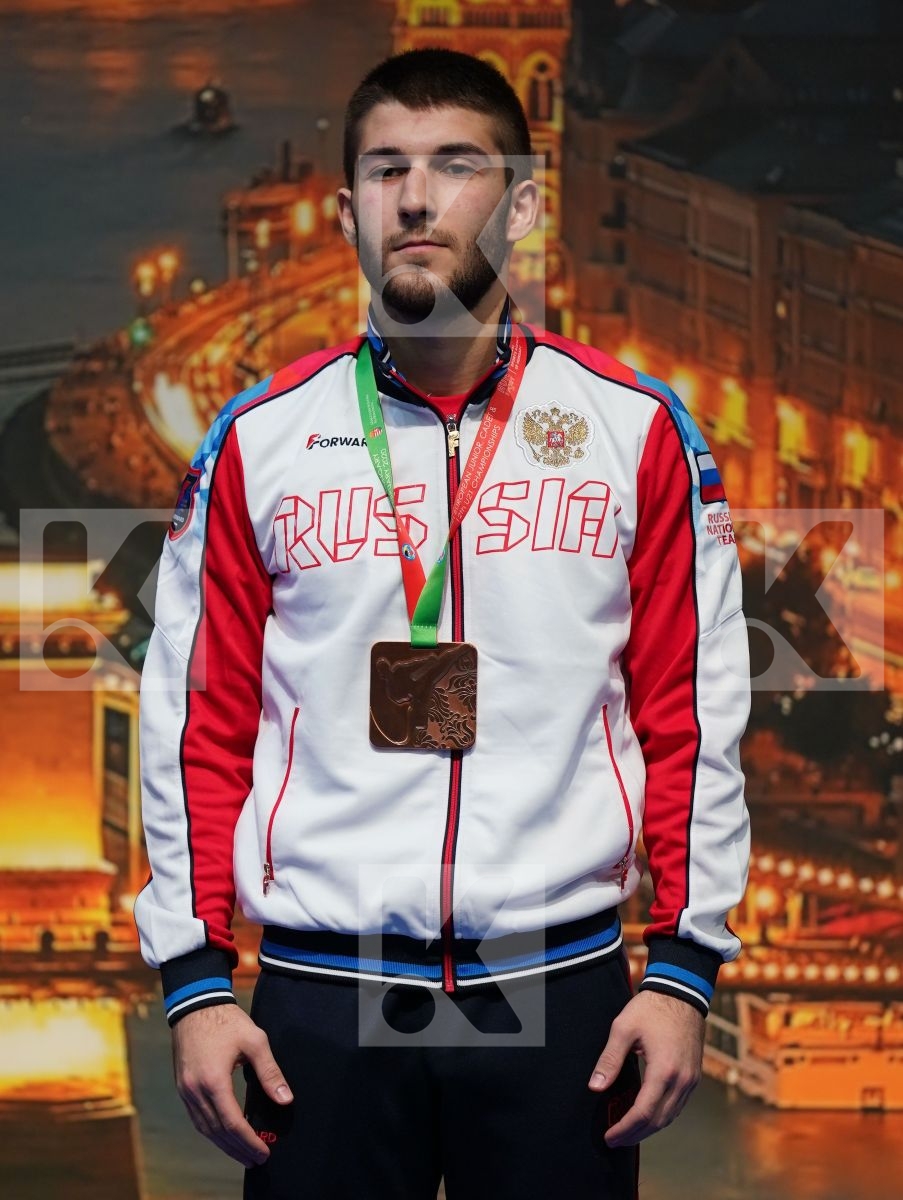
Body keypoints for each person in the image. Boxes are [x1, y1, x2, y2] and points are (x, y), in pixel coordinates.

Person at [134, 48, 751, 1199]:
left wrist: (682, 971)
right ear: (347, 210)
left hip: (562, 987)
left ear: (522, 202)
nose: (416, 198)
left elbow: (693, 716)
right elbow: (192, 726)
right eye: (385, 170)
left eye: (457, 166)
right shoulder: (258, 440)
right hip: (322, 996)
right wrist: (196, 981)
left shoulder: (639, 432)